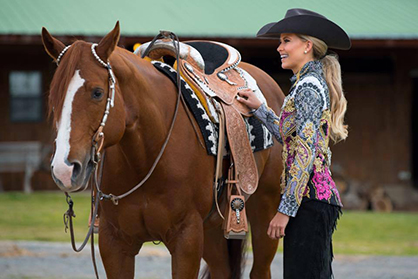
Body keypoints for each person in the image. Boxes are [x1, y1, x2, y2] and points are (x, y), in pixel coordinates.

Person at [237, 8, 351, 279]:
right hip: (310, 201)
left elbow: (305, 153)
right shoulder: (304, 84)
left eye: (287, 40)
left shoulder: (309, 87)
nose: (279, 47)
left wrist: (284, 212)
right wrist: (260, 108)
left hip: (309, 203)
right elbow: (291, 137)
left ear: (307, 46)